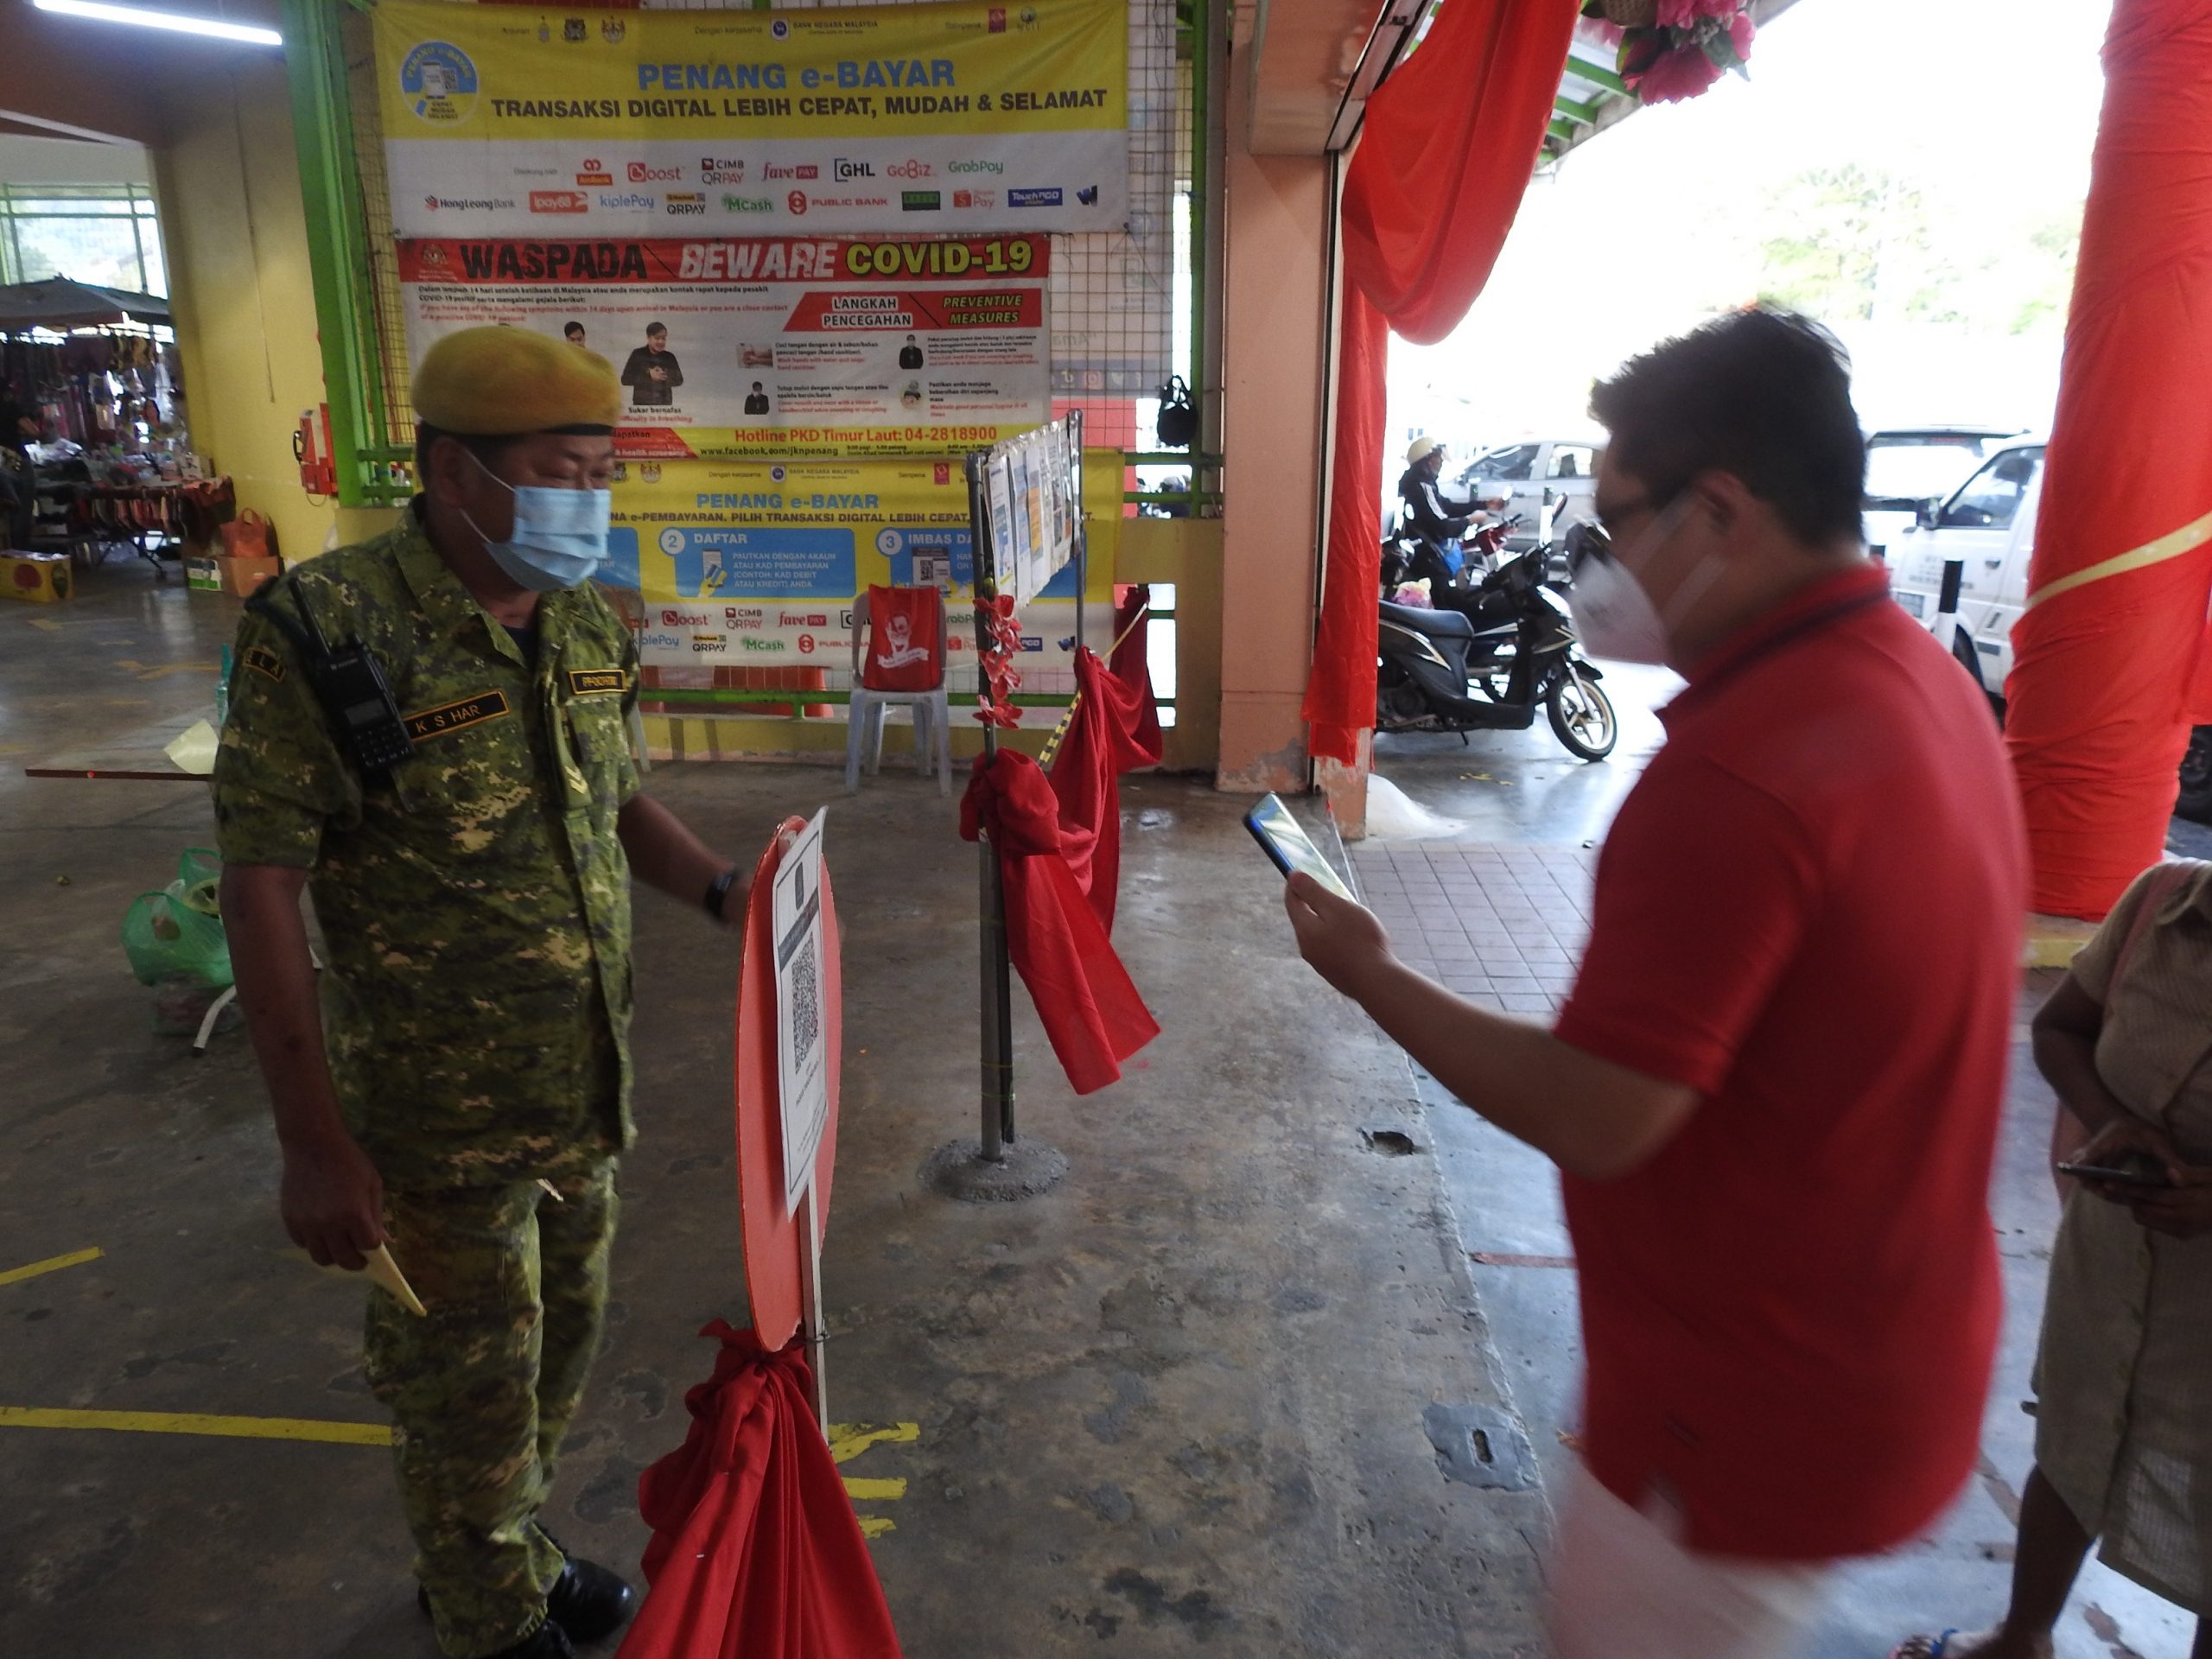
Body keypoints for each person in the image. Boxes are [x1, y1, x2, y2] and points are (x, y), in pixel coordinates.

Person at [1283, 309, 2025, 1659]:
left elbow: (1600, 1111)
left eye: (1619, 518)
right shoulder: (1917, 681)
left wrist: (1370, 975)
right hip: (1884, 1346)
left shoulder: (1743, 775)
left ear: (1720, 511)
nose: (1602, 556)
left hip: (1744, 1410)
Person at [214, 327, 772, 1659]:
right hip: (434, 1123)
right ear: (456, 472)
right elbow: (262, 884)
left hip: (580, 1086)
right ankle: (487, 1621)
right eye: (562, 471)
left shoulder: (582, 618)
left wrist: (725, 892)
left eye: (603, 472)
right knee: (465, 1384)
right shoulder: (326, 633)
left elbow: (615, 800)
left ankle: (499, 1552)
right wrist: (313, 1143)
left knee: (556, 1351)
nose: (591, 499)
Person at [1891, 859, 2212, 1659]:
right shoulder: (2162, 905)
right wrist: (2110, 1122)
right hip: (2107, 1264)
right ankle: (2022, 1635)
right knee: (2074, 1437)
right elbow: (2062, 1028)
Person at [619, 322, 681, 408]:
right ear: (648, 338)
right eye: (657, 338)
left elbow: (679, 380)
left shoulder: (669, 357)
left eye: (663, 338)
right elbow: (625, 380)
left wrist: (663, 376)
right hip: (642, 406)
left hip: (664, 406)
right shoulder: (637, 354)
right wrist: (648, 375)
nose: (661, 342)